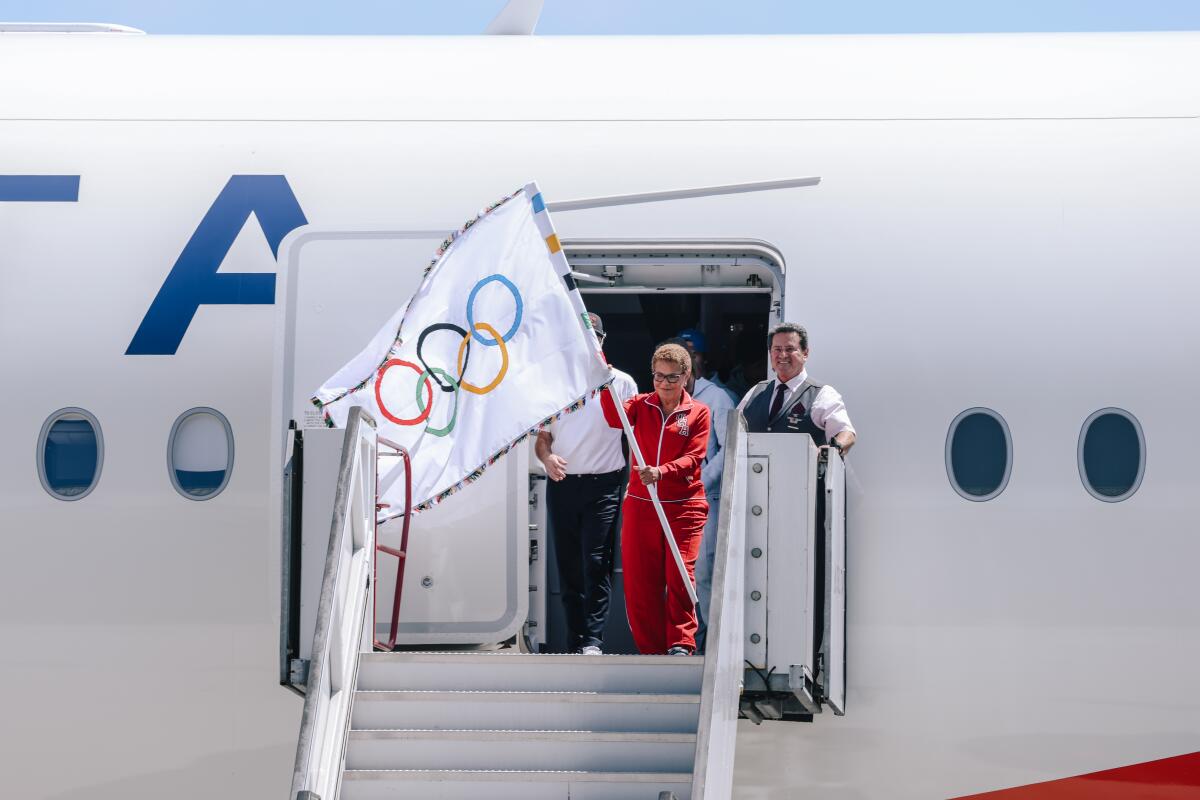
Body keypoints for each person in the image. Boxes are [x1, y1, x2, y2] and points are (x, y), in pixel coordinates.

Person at [535, 313, 638, 655]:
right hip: (563, 484)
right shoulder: (555, 384)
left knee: (596, 562)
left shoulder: (621, 383)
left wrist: (634, 481)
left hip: (604, 485)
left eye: (593, 335)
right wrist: (547, 459)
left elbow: (634, 438)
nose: (587, 341)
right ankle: (574, 639)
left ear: (602, 339)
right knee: (568, 565)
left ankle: (593, 640)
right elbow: (542, 439)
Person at [600, 343, 710, 656]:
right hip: (641, 503)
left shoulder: (698, 412)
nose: (664, 384)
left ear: (686, 376)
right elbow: (613, 417)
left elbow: (695, 456)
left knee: (679, 575)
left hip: (684, 506)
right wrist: (603, 380)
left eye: (672, 378)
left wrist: (662, 472)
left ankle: (681, 643)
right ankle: (650, 649)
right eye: (658, 377)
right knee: (639, 581)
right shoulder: (638, 404)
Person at [669, 333, 735, 652]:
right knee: (679, 574)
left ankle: (712, 649)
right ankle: (685, 642)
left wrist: (700, 481)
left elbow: (729, 450)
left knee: (706, 573)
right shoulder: (668, 399)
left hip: (705, 500)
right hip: (673, 502)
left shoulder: (718, 398)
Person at [740, 322, 856, 452]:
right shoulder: (755, 392)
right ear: (770, 353)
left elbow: (846, 433)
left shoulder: (822, 394)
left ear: (805, 353)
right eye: (777, 349)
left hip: (801, 472)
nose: (783, 355)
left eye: (790, 349)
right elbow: (735, 432)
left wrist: (834, 448)